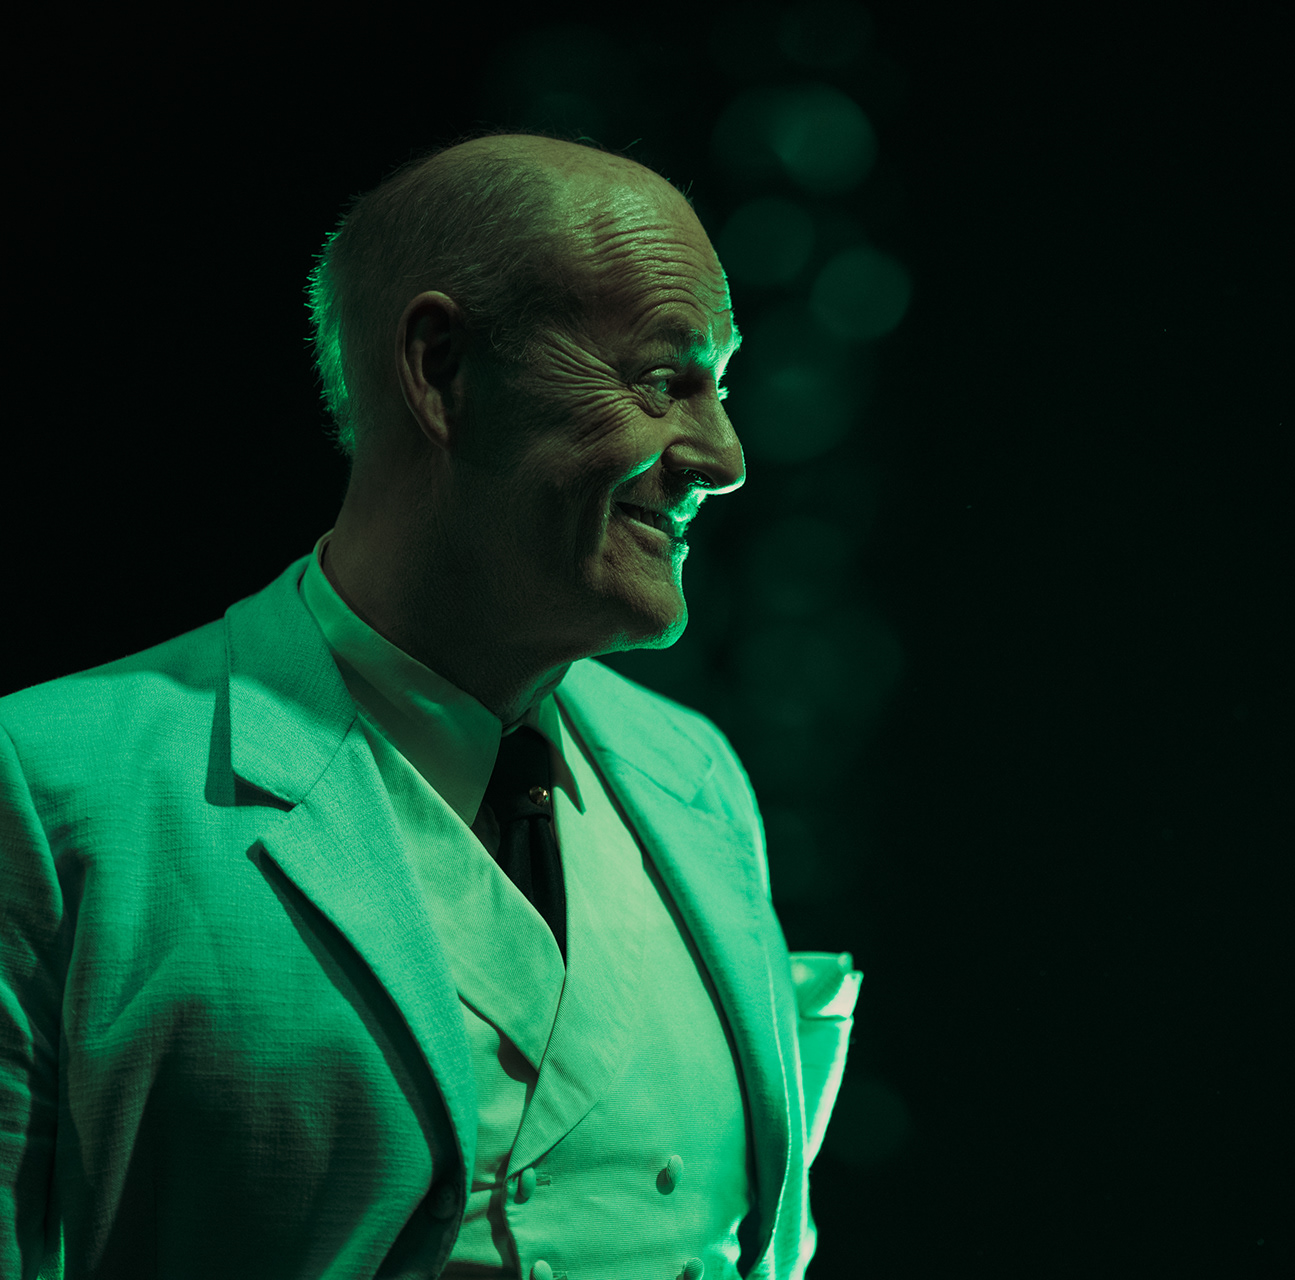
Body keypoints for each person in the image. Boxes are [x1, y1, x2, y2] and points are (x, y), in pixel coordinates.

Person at [1, 132, 860, 1279]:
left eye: (724, 386)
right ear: (441, 369)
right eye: (665, 380)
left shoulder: (695, 774)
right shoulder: (50, 788)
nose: (724, 454)